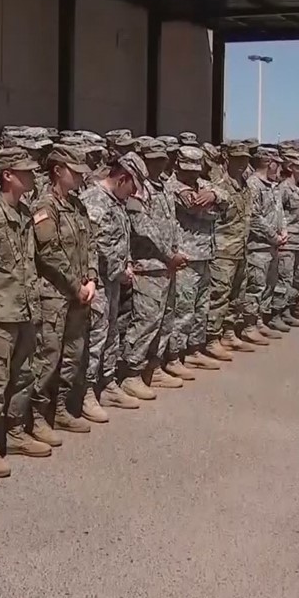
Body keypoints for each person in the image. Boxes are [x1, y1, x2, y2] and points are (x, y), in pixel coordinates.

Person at [0, 147, 51, 478]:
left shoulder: (25, 213)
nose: (32, 176)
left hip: (24, 309)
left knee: (24, 375)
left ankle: (15, 431)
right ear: (7, 176)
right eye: (25, 172)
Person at [31, 144, 101, 436]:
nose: (81, 177)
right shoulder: (45, 206)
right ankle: (36, 416)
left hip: (79, 294)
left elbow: (92, 243)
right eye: (75, 172)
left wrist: (92, 278)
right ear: (58, 171)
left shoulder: (77, 205)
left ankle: (60, 410)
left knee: (73, 354)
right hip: (55, 296)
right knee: (47, 357)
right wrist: (76, 286)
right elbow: (49, 253)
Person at [120, 143, 187, 400]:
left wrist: (175, 253)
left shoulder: (164, 186)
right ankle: (131, 373)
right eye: (153, 159)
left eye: (162, 159)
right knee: (145, 322)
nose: (159, 164)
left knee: (164, 320)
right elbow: (142, 226)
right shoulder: (138, 188)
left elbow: (171, 222)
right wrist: (169, 255)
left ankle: (153, 367)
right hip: (148, 265)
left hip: (166, 265)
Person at [81, 153, 142, 412]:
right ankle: (85, 392)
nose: (133, 193)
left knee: (110, 332)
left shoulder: (115, 201)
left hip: (112, 281)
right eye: (133, 186)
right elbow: (98, 245)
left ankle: (107, 383)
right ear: (122, 179)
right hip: (98, 282)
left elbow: (120, 240)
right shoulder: (95, 200)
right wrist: (119, 270)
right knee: (95, 336)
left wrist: (126, 265)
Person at [167, 145, 225, 373]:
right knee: (183, 310)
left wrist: (214, 196)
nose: (191, 174)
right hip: (186, 257)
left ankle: (194, 350)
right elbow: (196, 209)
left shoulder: (203, 185)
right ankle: (174, 356)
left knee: (201, 308)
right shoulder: (173, 186)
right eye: (187, 169)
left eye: (195, 170)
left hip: (205, 254)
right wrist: (216, 206)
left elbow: (227, 200)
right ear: (178, 166)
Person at [204, 143, 254, 357]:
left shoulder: (245, 186)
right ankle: (211, 338)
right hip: (223, 252)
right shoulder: (219, 186)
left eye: (245, 159)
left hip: (241, 249)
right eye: (237, 159)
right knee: (219, 296)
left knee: (237, 295)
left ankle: (228, 331)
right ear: (227, 159)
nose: (242, 163)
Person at [240, 149, 284, 345]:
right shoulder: (253, 185)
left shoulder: (273, 185)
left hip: (272, 245)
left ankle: (259, 320)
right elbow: (255, 217)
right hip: (258, 246)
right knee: (255, 286)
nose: (279, 167)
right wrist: (274, 236)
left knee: (269, 284)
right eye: (277, 163)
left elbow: (279, 211)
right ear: (269, 163)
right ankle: (249, 326)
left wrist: (284, 231)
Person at [269, 155, 299, 331]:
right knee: (283, 278)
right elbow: (278, 215)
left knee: (296, 278)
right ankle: (275, 314)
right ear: (291, 167)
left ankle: (288, 309)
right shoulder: (284, 188)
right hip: (288, 241)